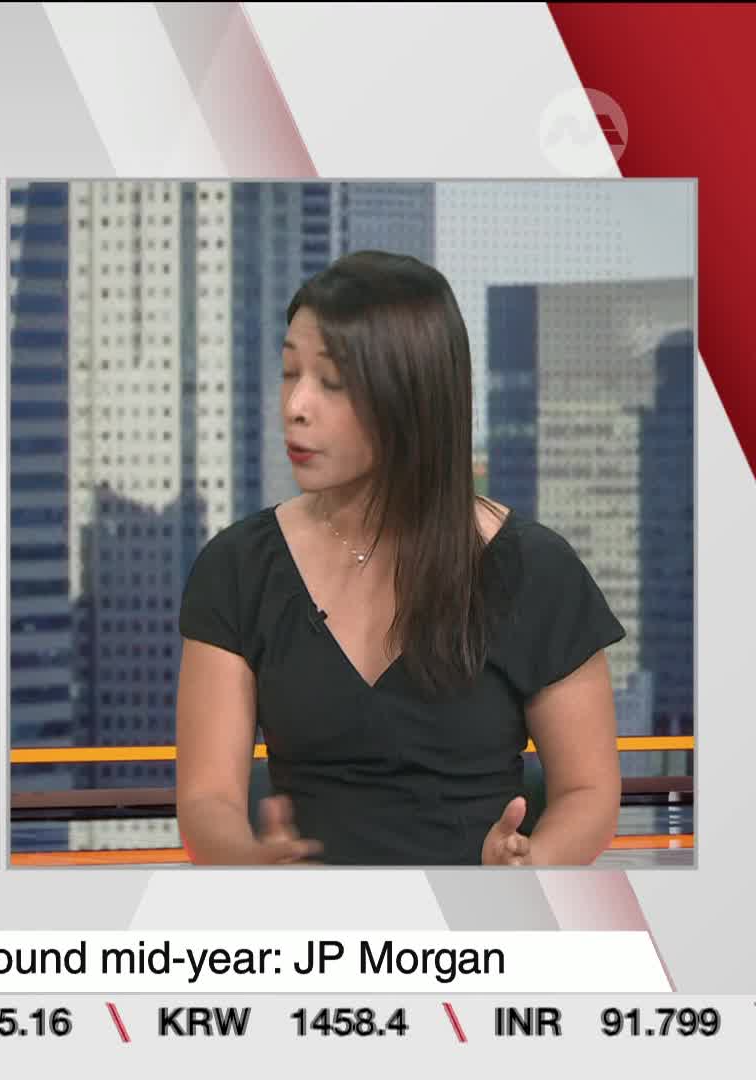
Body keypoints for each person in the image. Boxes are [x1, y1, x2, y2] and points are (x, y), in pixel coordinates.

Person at [174, 250, 624, 867]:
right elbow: (205, 800)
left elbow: (589, 792)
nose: (296, 405)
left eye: (331, 382)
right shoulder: (238, 568)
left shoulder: (533, 569)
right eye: (289, 372)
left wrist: (529, 868)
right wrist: (249, 862)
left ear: (410, 396)